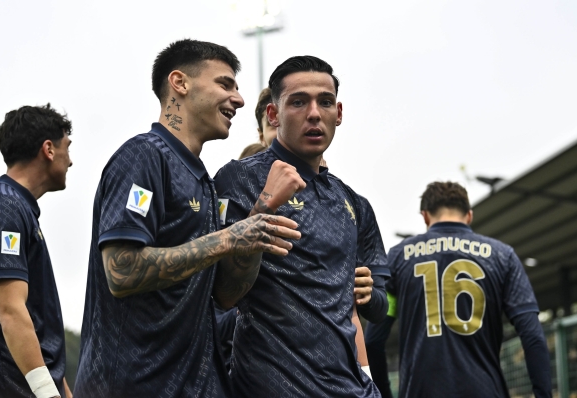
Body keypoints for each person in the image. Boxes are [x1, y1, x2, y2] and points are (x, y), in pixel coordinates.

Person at [75, 39, 301, 398]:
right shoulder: (144, 156)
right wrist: (228, 239)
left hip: (196, 385)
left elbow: (225, 297)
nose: (239, 99)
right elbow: (121, 271)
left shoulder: (203, 182)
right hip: (133, 386)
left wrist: (259, 218)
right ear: (179, 83)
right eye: (225, 84)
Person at [214, 55, 390, 397]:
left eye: (324, 102)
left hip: (352, 388)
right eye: (298, 102)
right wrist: (264, 207)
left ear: (338, 114)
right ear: (273, 114)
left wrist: (372, 298)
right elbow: (222, 294)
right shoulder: (239, 179)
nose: (314, 113)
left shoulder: (354, 203)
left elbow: (385, 308)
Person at [386, 181, 551, 398]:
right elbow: (532, 336)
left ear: (425, 216)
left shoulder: (398, 257)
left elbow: (374, 339)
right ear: (469, 216)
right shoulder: (503, 256)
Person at [0, 104, 73, 398]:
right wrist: (48, 394)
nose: (71, 161)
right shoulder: (3, 209)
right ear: (49, 149)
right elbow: (11, 312)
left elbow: (38, 327)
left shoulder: (15, 209)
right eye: (67, 147)